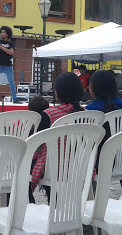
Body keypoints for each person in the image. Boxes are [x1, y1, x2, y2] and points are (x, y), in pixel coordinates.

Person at [31, 72, 86, 203]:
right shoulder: (88, 115)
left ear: (58, 93)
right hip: (80, 167)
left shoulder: (48, 115)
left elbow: (35, 143)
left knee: (19, 169)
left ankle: (29, 205)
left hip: (53, 168)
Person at [26, 95, 50, 203]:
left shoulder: (34, 127)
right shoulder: (50, 122)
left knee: (18, 176)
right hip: (50, 161)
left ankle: (30, 201)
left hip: (38, 162)